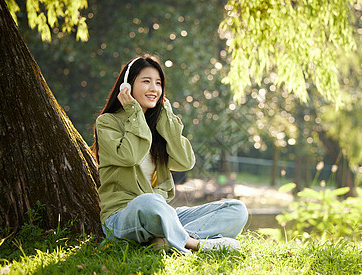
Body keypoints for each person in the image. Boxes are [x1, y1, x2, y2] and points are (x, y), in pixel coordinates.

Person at [92, 55, 248, 254]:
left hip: (163, 214)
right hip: (124, 216)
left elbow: (185, 161)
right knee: (149, 201)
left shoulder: (159, 125)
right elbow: (130, 156)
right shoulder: (107, 122)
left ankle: (166, 239)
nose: (154, 89)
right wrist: (133, 111)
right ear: (127, 87)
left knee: (236, 209)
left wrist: (167, 116)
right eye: (146, 81)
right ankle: (194, 243)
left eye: (158, 83)